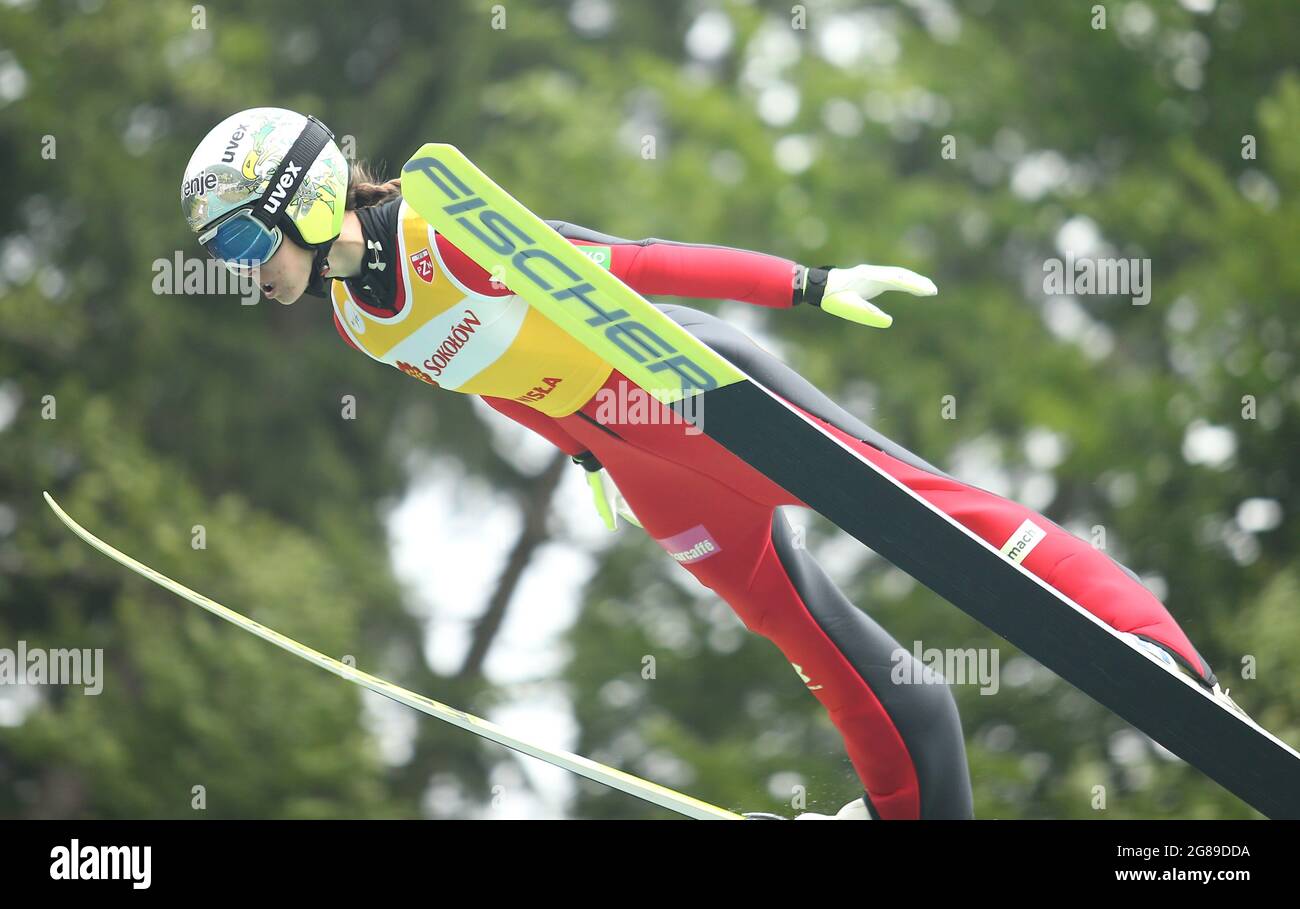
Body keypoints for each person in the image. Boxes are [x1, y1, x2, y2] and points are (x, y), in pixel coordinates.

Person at [181, 107, 1237, 820]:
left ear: (306, 203)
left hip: (691, 390)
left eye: (239, 247)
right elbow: (499, 380)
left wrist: (809, 285)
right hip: (640, 464)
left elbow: (634, 264)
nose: (243, 274)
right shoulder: (360, 330)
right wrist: (586, 464)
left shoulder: (439, 227)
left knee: (927, 506)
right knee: (809, 634)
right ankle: (906, 804)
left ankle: (1157, 655)